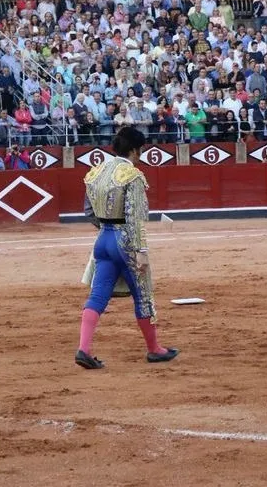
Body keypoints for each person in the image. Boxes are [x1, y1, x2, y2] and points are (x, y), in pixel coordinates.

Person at [76, 127, 178, 370]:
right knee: (143, 297)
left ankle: (84, 348)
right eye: (140, 150)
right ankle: (154, 349)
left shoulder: (96, 172)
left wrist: (106, 228)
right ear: (133, 149)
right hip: (126, 242)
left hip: (103, 240)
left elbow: (89, 211)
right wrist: (141, 252)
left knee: (97, 296)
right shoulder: (132, 176)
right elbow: (135, 218)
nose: (140, 155)